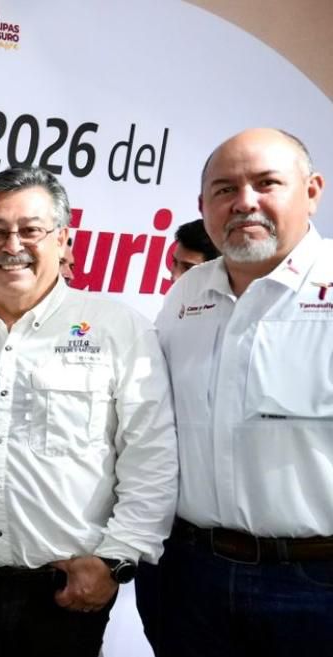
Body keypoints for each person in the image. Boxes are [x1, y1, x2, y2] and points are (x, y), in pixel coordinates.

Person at [0, 166, 177, 657]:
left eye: (31, 229)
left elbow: (152, 457)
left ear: (63, 240)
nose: (12, 244)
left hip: (64, 595)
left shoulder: (117, 328)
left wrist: (115, 561)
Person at [154, 128, 331, 657]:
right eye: (225, 189)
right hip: (189, 576)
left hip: (315, 585)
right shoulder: (186, 293)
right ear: (203, 205)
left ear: (312, 191)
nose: (244, 202)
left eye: (266, 183)